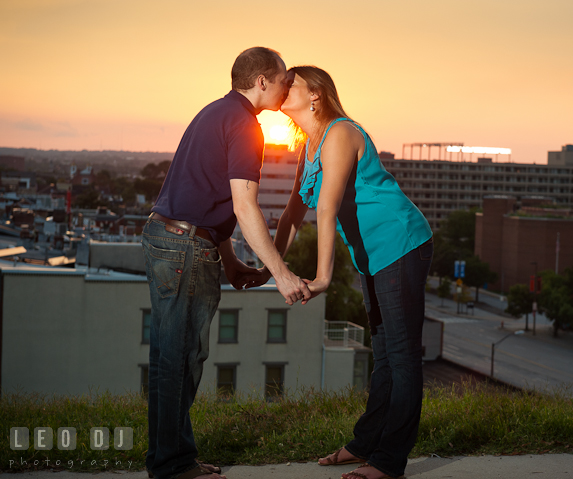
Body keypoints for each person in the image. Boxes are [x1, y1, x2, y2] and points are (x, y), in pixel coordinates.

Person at [141, 47, 311, 479]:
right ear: (261, 82)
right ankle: (171, 464)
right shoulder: (245, 125)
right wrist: (281, 272)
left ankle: (172, 458)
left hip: (170, 237)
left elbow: (203, 196)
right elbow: (244, 205)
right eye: (282, 79)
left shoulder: (213, 112)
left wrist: (230, 259)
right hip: (183, 248)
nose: (286, 85)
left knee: (172, 356)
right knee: (180, 358)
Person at [258, 66, 433, 479]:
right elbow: (292, 214)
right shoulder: (311, 145)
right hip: (372, 255)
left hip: (400, 243)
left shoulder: (340, 132)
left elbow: (327, 209)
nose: (283, 87)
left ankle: (389, 461)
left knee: (403, 357)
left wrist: (322, 278)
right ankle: (365, 445)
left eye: (292, 82)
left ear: (315, 94)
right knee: (385, 353)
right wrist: (271, 267)